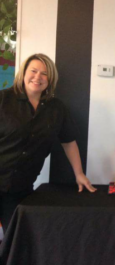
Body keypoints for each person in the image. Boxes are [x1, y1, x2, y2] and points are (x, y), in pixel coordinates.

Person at [0, 53, 96, 233]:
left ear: (50, 79)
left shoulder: (56, 108)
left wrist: (79, 173)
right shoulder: (3, 100)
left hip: (20, 188)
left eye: (44, 74)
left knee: (14, 239)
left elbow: (68, 141)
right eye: (33, 71)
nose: (38, 77)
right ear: (23, 73)